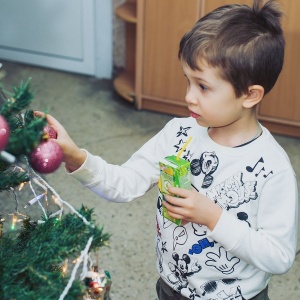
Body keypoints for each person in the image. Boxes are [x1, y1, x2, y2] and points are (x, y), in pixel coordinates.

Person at [36, 0, 298, 299]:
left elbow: (279, 256)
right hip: (170, 286)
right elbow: (125, 184)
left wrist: (213, 217)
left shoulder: (272, 168)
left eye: (203, 86)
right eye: (188, 81)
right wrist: (76, 156)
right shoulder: (179, 133)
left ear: (250, 95)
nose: (189, 97)